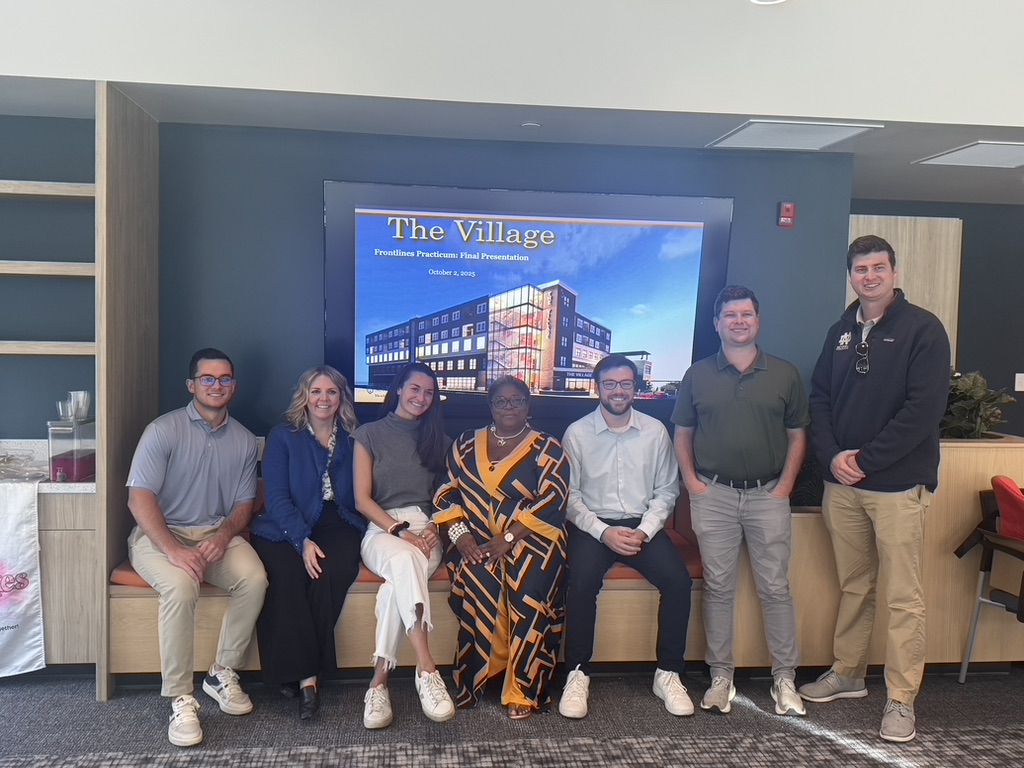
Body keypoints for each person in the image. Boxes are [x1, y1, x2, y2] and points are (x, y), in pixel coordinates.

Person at [799, 235, 951, 743]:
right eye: (861, 268)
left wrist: (866, 459)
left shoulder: (923, 330)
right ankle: (847, 674)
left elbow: (922, 411)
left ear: (894, 272)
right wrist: (833, 455)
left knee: (903, 597)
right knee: (854, 586)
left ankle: (902, 700)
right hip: (842, 487)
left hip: (897, 486)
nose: (870, 276)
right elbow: (819, 397)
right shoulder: (840, 331)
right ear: (851, 276)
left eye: (878, 267)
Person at [672, 285, 809, 717]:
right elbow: (683, 434)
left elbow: (798, 434)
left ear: (757, 320)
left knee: (775, 588)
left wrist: (785, 486)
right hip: (713, 496)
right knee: (718, 589)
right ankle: (720, 679)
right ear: (717, 323)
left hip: (769, 494)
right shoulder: (697, 374)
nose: (738, 321)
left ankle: (785, 680)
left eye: (746, 314)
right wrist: (693, 484)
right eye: (730, 315)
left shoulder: (784, 373)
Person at [126, 348, 268, 747]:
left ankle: (221, 673)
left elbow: (244, 505)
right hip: (159, 536)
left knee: (254, 578)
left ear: (234, 387)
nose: (217, 385)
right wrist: (173, 550)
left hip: (214, 535)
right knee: (181, 585)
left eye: (224, 379)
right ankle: (179, 695)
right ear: (192, 385)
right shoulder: (162, 430)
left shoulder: (243, 440)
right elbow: (139, 499)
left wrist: (223, 537)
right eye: (208, 378)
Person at [559, 354, 694, 719]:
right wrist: (604, 532)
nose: (618, 391)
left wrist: (644, 531)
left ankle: (668, 673)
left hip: (642, 526)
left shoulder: (654, 431)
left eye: (625, 384)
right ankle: (577, 673)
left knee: (679, 582)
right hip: (594, 526)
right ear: (598, 388)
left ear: (635, 387)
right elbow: (569, 497)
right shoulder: (577, 433)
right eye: (610, 384)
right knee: (582, 582)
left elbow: (667, 491)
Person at [433, 376, 569, 719]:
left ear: (528, 406)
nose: (508, 407)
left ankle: (524, 688)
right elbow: (445, 492)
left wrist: (508, 538)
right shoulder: (465, 444)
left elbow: (554, 500)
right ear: (490, 406)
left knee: (528, 587)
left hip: (535, 537)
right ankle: (483, 675)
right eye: (500, 401)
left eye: (516, 401)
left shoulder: (547, 446)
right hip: (474, 538)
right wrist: (461, 536)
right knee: (479, 571)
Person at [250, 365, 365, 720]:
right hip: (283, 524)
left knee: (330, 571)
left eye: (332, 392)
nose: (324, 399)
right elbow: (279, 498)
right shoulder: (283, 435)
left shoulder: (353, 436)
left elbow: (359, 494)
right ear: (305, 396)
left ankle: (298, 672)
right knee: (286, 577)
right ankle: (308, 680)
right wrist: (301, 540)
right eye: (316, 391)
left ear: (341, 397)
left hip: (338, 521)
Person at [352, 361, 456, 729]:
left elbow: (450, 498)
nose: (422, 398)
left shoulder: (440, 442)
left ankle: (378, 683)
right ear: (399, 388)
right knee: (402, 560)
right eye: (415, 389)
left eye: (429, 393)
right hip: (382, 529)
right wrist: (399, 530)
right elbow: (362, 499)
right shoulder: (369, 434)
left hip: (427, 529)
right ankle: (427, 669)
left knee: (396, 583)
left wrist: (438, 530)